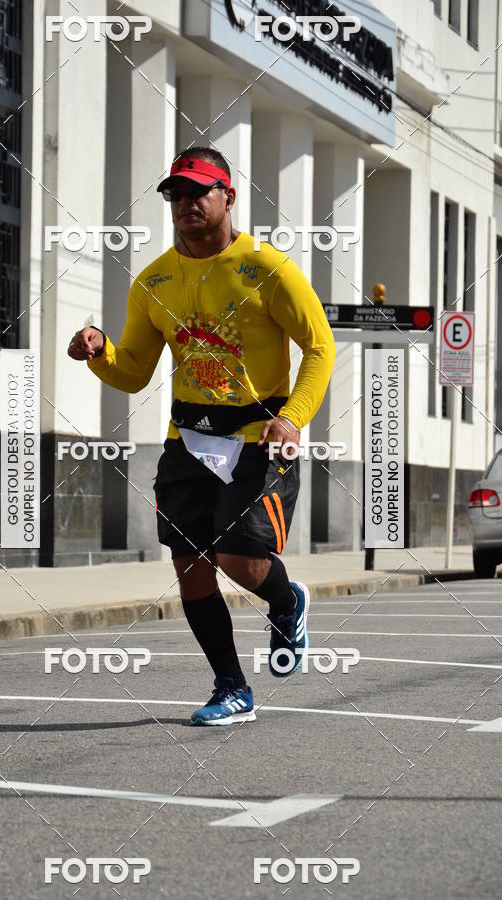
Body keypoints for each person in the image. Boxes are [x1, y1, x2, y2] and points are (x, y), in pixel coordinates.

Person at [68, 146, 336, 726]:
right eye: (175, 194)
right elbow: (135, 371)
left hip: (257, 436)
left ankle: (289, 603)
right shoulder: (154, 280)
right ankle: (232, 688)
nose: (185, 202)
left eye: (198, 191)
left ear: (228, 197)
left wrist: (293, 417)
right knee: (190, 564)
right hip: (187, 439)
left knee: (239, 558)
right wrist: (100, 352)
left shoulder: (268, 269)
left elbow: (320, 346)